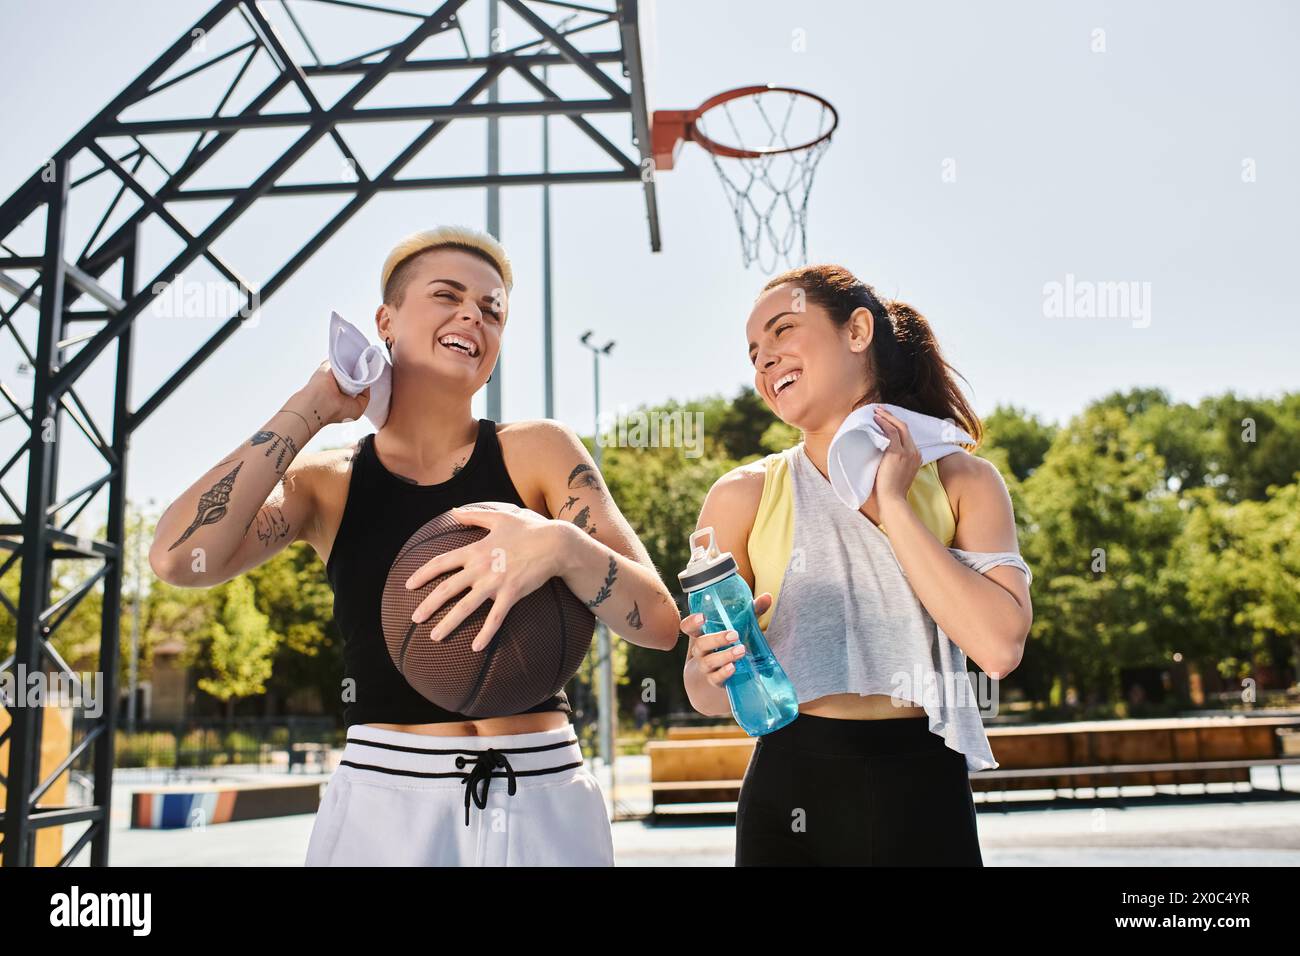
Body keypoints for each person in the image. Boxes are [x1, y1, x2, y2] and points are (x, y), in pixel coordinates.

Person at [149, 226, 680, 865]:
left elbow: (658, 623)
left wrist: (561, 545)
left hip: (542, 790)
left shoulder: (539, 449)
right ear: (386, 321)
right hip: (387, 802)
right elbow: (178, 557)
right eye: (447, 296)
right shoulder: (328, 483)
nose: (471, 316)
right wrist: (308, 409)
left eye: (492, 310)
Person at [682, 264, 1033, 866]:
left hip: (925, 784)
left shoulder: (961, 479)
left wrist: (893, 504)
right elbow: (705, 696)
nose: (765, 360)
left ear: (858, 330)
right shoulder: (740, 496)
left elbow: (998, 648)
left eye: (783, 331)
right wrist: (709, 667)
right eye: (753, 353)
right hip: (790, 787)